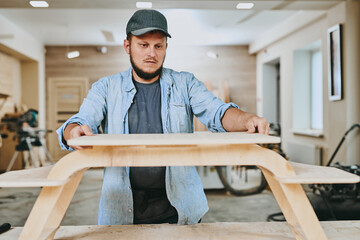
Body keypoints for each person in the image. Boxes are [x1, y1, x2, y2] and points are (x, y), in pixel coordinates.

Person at [57, 9, 269, 226]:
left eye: (158, 46)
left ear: (166, 47)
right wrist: (74, 129)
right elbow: (80, 120)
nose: (152, 53)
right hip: (121, 209)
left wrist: (246, 120)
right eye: (143, 45)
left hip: (179, 207)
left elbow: (218, 112)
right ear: (127, 46)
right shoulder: (106, 88)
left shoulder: (185, 84)